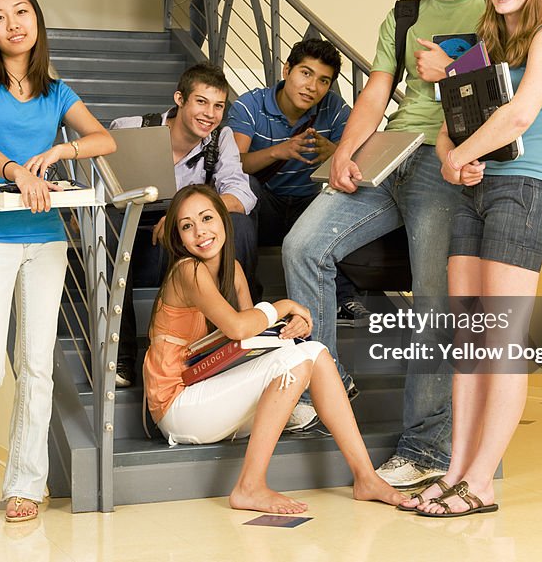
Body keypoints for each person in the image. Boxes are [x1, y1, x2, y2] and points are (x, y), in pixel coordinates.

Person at [281, 0, 484, 488]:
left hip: (443, 162)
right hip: (388, 152)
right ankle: (328, 382)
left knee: (431, 303)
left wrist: (451, 66)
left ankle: (425, 448)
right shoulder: (404, 15)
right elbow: (376, 92)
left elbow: (510, 84)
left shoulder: (496, 6)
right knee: (302, 247)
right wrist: (346, 151)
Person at [405, 0, 542, 517]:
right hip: (473, 192)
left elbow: (518, 115)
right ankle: (455, 471)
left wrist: (458, 159)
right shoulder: (485, 50)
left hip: (523, 192)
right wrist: (456, 154)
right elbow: (450, 123)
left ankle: (481, 482)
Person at [0, 0, 116, 531]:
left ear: (36, 19)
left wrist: (62, 147)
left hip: (44, 240)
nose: (13, 24)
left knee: (38, 366)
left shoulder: (56, 91)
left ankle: (25, 483)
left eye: (21, 12)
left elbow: (103, 138)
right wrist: (18, 170)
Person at [143, 184, 405, 513]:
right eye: (187, 225)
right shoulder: (187, 270)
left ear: (223, 220)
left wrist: (292, 328)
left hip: (211, 395)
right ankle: (249, 487)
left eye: (207, 218)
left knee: (314, 352)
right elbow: (239, 326)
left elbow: (253, 340)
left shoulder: (232, 270)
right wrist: (283, 306)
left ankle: (365, 477)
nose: (200, 231)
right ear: (179, 239)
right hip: (178, 407)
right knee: (296, 361)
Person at [110, 64, 257, 387]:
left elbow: (242, 194)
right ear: (180, 99)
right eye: (201, 102)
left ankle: (233, 339)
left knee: (241, 225)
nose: (211, 114)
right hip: (133, 233)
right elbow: (104, 190)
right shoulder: (131, 127)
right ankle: (120, 354)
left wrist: (180, 217)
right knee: (108, 227)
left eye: (219, 106)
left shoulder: (222, 139)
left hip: (185, 238)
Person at [229, 40, 372, 339]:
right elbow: (235, 164)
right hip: (265, 206)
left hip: (308, 205)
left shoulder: (333, 109)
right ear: (287, 70)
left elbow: (362, 159)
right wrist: (279, 151)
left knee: (346, 192)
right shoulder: (250, 105)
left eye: (323, 80)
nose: (312, 87)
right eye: (305, 74)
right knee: (245, 190)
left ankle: (344, 298)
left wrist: (335, 153)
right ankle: (246, 297)